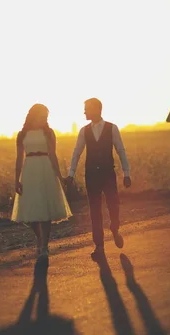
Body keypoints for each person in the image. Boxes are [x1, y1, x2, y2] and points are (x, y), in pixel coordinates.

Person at [66, 98, 131, 261]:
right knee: (95, 210)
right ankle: (99, 246)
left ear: (97, 109)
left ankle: (114, 227)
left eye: (87, 109)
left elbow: (120, 150)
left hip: (108, 173)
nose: (84, 112)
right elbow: (77, 152)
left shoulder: (112, 128)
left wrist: (126, 173)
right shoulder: (84, 131)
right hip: (91, 175)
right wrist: (71, 174)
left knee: (113, 204)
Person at [12, 103, 73, 258]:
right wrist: (16, 179)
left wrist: (59, 176)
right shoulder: (22, 134)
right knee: (31, 210)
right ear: (33, 115)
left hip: (46, 169)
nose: (45, 119)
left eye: (46, 117)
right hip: (29, 170)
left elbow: (53, 154)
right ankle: (39, 238)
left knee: (45, 209)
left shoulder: (49, 133)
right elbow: (19, 158)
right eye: (42, 116)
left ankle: (44, 245)